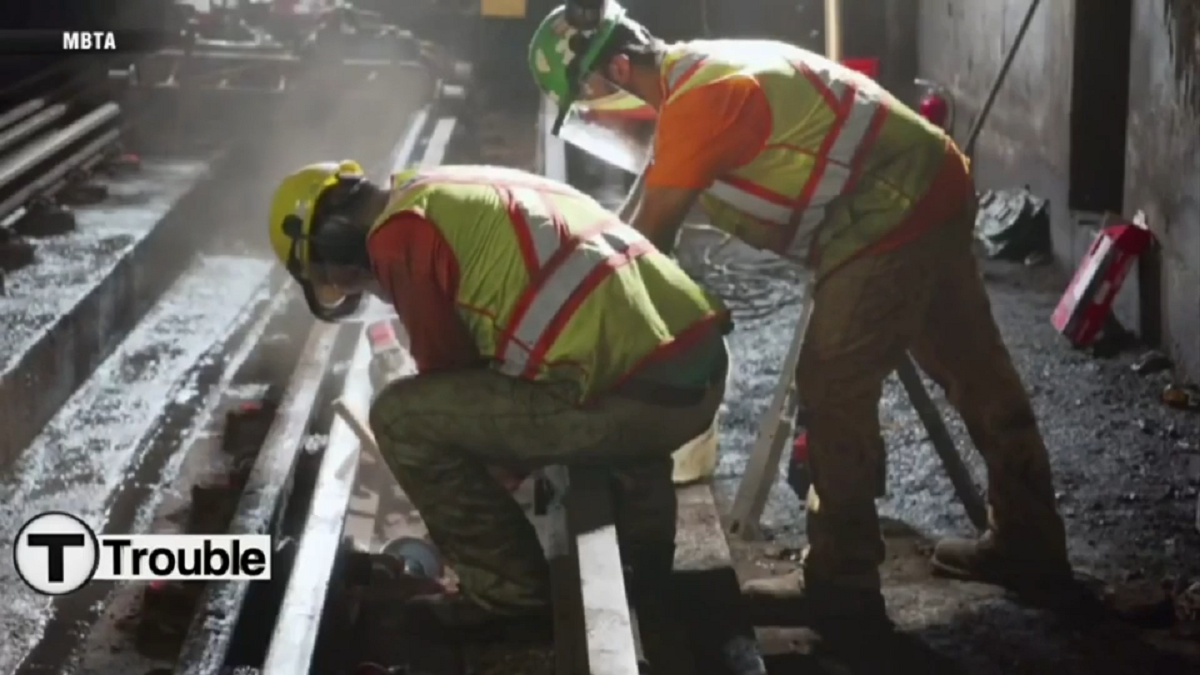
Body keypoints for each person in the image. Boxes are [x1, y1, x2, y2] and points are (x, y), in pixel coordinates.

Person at [528, 2, 1072, 633]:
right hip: (930, 183)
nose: (600, 124)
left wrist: (564, 331)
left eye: (592, 103)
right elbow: (640, 210)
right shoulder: (700, 73)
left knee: (832, 385)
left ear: (619, 67)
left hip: (884, 215)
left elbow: (644, 251)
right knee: (977, 371)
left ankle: (841, 584)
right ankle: (1031, 542)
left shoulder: (697, 105)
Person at [266, 161, 730, 627]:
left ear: (335, 240)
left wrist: (462, 496)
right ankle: (646, 565)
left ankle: (513, 595)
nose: (357, 286)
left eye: (337, 275)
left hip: (642, 399)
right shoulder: (431, 190)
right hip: (690, 368)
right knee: (563, 370)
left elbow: (446, 378)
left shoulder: (397, 239)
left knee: (400, 418)